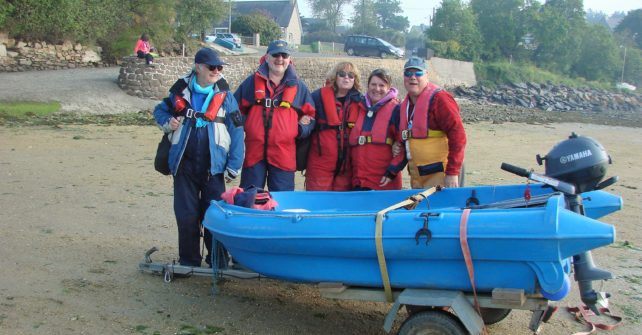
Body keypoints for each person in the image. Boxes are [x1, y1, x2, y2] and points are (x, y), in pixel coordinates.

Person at [153, 48, 245, 267]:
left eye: (219, 67)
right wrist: (168, 123)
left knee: (215, 218)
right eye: (212, 67)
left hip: (214, 168)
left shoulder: (226, 97)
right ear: (198, 67)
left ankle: (218, 262)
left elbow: (238, 130)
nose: (216, 71)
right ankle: (189, 261)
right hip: (183, 166)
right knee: (186, 216)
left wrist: (234, 165)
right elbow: (159, 110)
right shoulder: (179, 92)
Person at [234, 40, 315, 191]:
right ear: (266, 57)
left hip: (284, 154)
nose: (280, 59)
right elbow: (234, 110)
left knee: (282, 202)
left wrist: (299, 129)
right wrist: (248, 125)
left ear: (289, 59)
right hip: (254, 153)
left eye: (284, 55)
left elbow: (311, 115)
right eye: (275, 55)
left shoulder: (299, 87)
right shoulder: (251, 82)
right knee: (250, 198)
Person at [398, 56, 466, 188]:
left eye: (418, 73)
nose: (413, 77)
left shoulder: (441, 99)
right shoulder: (404, 106)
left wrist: (452, 172)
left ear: (427, 76)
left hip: (442, 174)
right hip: (419, 175)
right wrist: (397, 145)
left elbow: (459, 136)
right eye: (408, 73)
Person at [305, 62, 365, 191]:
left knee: (341, 206)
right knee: (317, 204)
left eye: (351, 75)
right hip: (320, 165)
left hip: (347, 167)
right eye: (342, 74)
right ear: (335, 77)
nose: (346, 78)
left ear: (355, 79)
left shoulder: (360, 102)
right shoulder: (317, 97)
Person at [349, 68, 405, 190]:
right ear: (368, 85)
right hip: (358, 181)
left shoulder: (396, 110)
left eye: (381, 85)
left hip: (384, 183)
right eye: (373, 84)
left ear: (389, 87)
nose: (377, 89)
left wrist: (392, 171)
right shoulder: (359, 107)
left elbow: (405, 144)